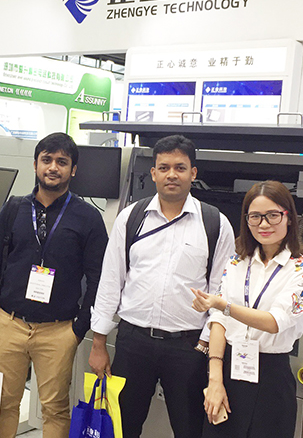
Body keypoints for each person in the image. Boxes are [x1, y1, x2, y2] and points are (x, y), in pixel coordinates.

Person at [89, 134, 235, 438]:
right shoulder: (131, 218)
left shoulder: (215, 224)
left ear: (193, 173)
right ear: (153, 173)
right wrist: (99, 343)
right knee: (122, 427)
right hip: (133, 343)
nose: (172, 175)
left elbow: (222, 292)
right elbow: (111, 281)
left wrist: (205, 345)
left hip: (188, 347)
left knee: (190, 429)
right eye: (164, 167)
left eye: (180, 168)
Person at [0, 132, 108, 438]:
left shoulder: (88, 217)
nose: (53, 167)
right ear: (35, 165)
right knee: (4, 404)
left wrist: (79, 328)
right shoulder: (14, 208)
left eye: (62, 162)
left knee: (55, 408)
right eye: (47, 160)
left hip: (58, 331)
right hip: (9, 324)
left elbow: (98, 277)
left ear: (73, 170)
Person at [192, 180, 303, 438]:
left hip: (272, 379)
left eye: (273, 215)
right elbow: (218, 320)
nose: (264, 224)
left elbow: (275, 322)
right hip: (228, 370)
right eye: (255, 216)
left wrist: (223, 305)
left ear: (289, 218)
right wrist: (215, 379)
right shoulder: (236, 263)